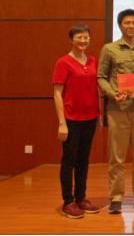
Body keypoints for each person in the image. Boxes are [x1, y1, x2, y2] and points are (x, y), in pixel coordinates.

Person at [97, 9, 134, 214]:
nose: (131, 26)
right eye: (127, 23)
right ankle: (116, 198)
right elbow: (101, 77)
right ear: (120, 25)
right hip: (118, 110)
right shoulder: (109, 49)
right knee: (117, 158)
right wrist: (112, 94)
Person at [53, 23, 102, 219]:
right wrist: (62, 122)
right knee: (69, 160)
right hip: (71, 118)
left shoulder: (93, 61)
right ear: (71, 40)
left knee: (83, 160)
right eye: (79, 37)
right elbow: (57, 94)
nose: (83, 40)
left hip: (90, 118)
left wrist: (99, 116)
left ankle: (81, 198)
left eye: (86, 37)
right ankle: (68, 201)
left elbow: (96, 89)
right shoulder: (63, 62)